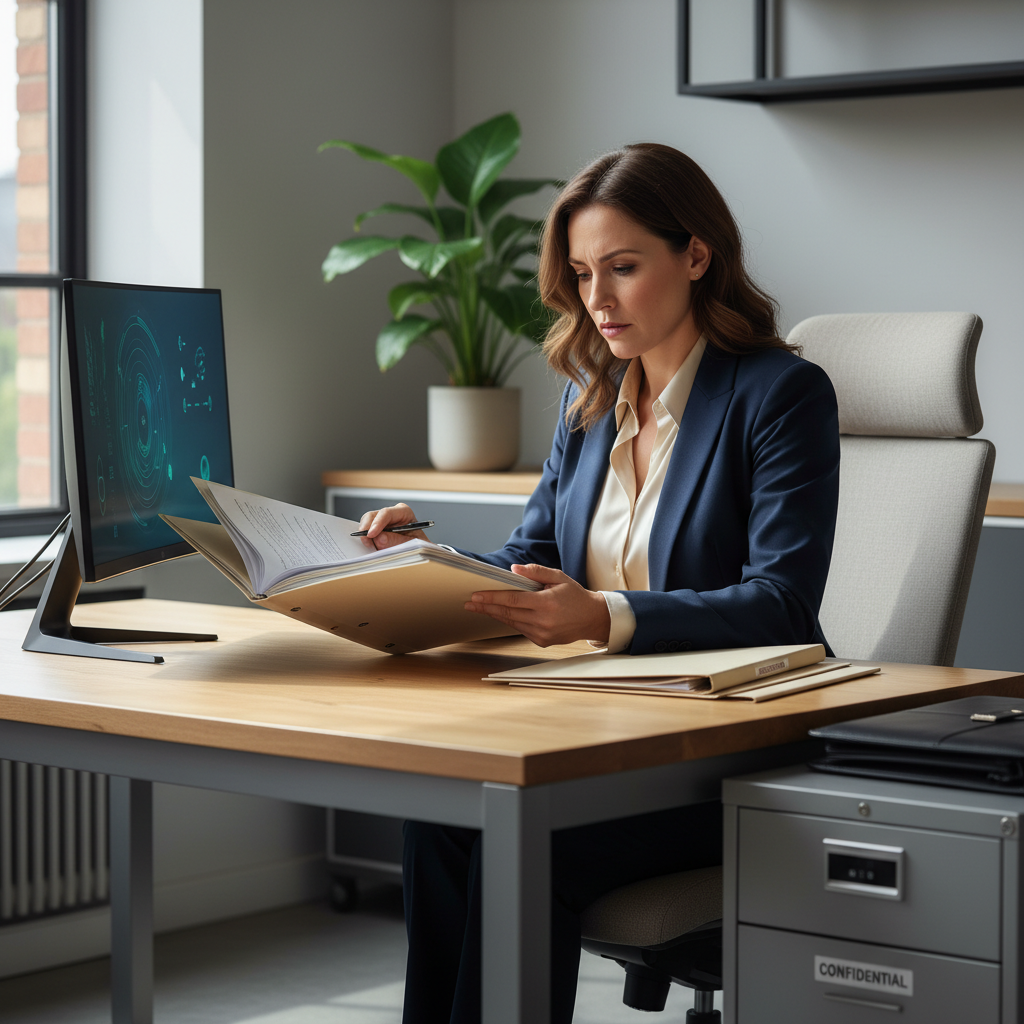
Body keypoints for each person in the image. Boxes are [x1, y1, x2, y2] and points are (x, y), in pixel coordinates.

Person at [358, 143, 840, 1024]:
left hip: (726, 754)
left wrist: (603, 616)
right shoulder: (589, 402)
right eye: (582, 274)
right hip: (606, 733)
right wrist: (414, 556)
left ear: (696, 256)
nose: (598, 299)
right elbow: (528, 555)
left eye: (623, 267)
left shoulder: (781, 394)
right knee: (438, 823)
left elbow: (783, 602)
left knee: (516, 848)